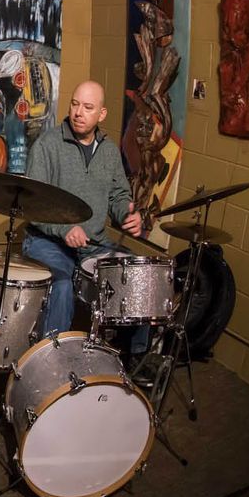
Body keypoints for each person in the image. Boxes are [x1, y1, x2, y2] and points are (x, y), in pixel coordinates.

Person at [23, 80, 147, 365]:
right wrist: (64, 229)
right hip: (47, 240)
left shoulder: (109, 151)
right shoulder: (47, 145)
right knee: (62, 283)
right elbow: (34, 205)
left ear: (101, 114)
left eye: (88, 107)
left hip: (93, 242)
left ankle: (134, 359)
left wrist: (127, 214)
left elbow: (118, 195)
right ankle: (49, 361)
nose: (79, 112)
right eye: (75, 104)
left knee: (138, 274)